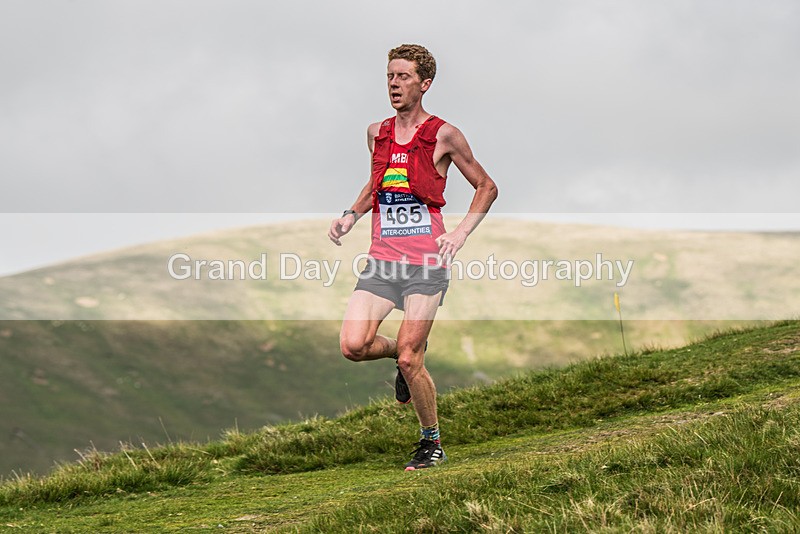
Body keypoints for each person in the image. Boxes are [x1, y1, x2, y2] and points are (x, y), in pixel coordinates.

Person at [328, 44, 498, 471]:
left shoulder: (444, 135)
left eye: (403, 77)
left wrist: (459, 233)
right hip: (383, 260)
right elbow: (377, 182)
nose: (394, 84)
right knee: (353, 346)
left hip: (426, 262)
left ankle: (431, 441)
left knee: (411, 355)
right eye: (390, 76)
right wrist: (352, 213)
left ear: (425, 84)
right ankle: (401, 358)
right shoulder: (376, 132)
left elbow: (487, 186)